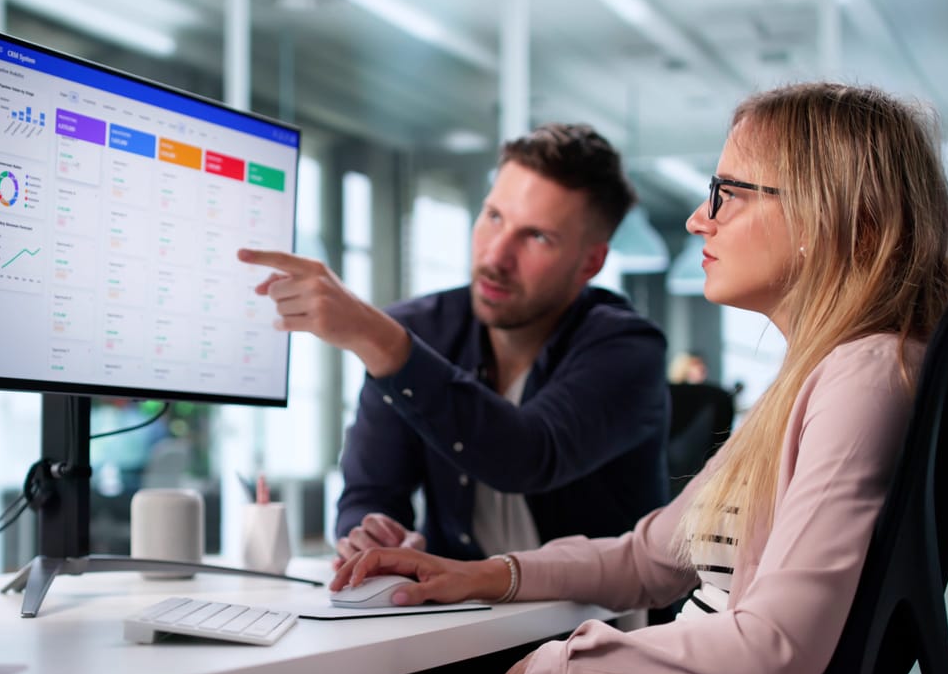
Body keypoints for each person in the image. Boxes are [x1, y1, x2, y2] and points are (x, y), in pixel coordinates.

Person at [331, 82, 948, 674]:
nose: (700, 218)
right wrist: (485, 575)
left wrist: (553, 666)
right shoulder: (818, 378)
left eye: (728, 193)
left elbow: (774, 652)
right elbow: (646, 559)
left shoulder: (862, 379)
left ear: (838, 221)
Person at [240, 124, 669, 565]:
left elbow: (527, 456)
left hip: (595, 624)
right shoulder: (420, 330)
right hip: (463, 619)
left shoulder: (629, 349)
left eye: (537, 236)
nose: (496, 257)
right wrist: (371, 533)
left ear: (590, 262)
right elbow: (370, 492)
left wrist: (379, 338)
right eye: (494, 216)